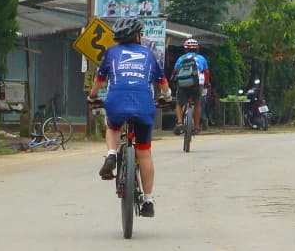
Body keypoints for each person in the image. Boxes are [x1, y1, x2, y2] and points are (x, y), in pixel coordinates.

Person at [87, 17, 170, 218]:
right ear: (138, 36)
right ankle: (148, 201)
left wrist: (92, 97)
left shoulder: (111, 53)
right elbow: (163, 84)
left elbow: (99, 80)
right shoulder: (149, 54)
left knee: (113, 126)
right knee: (144, 154)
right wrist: (165, 97)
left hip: (116, 102)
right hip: (144, 105)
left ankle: (112, 154)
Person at [172, 38, 210, 135]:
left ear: (185, 49)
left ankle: (180, 123)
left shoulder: (181, 58)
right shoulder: (201, 58)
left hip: (183, 83)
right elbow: (206, 73)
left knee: (179, 104)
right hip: (197, 84)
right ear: (197, 49)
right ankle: (196, 127)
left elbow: (175, 72)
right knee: (197, 103)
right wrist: (206, 84)